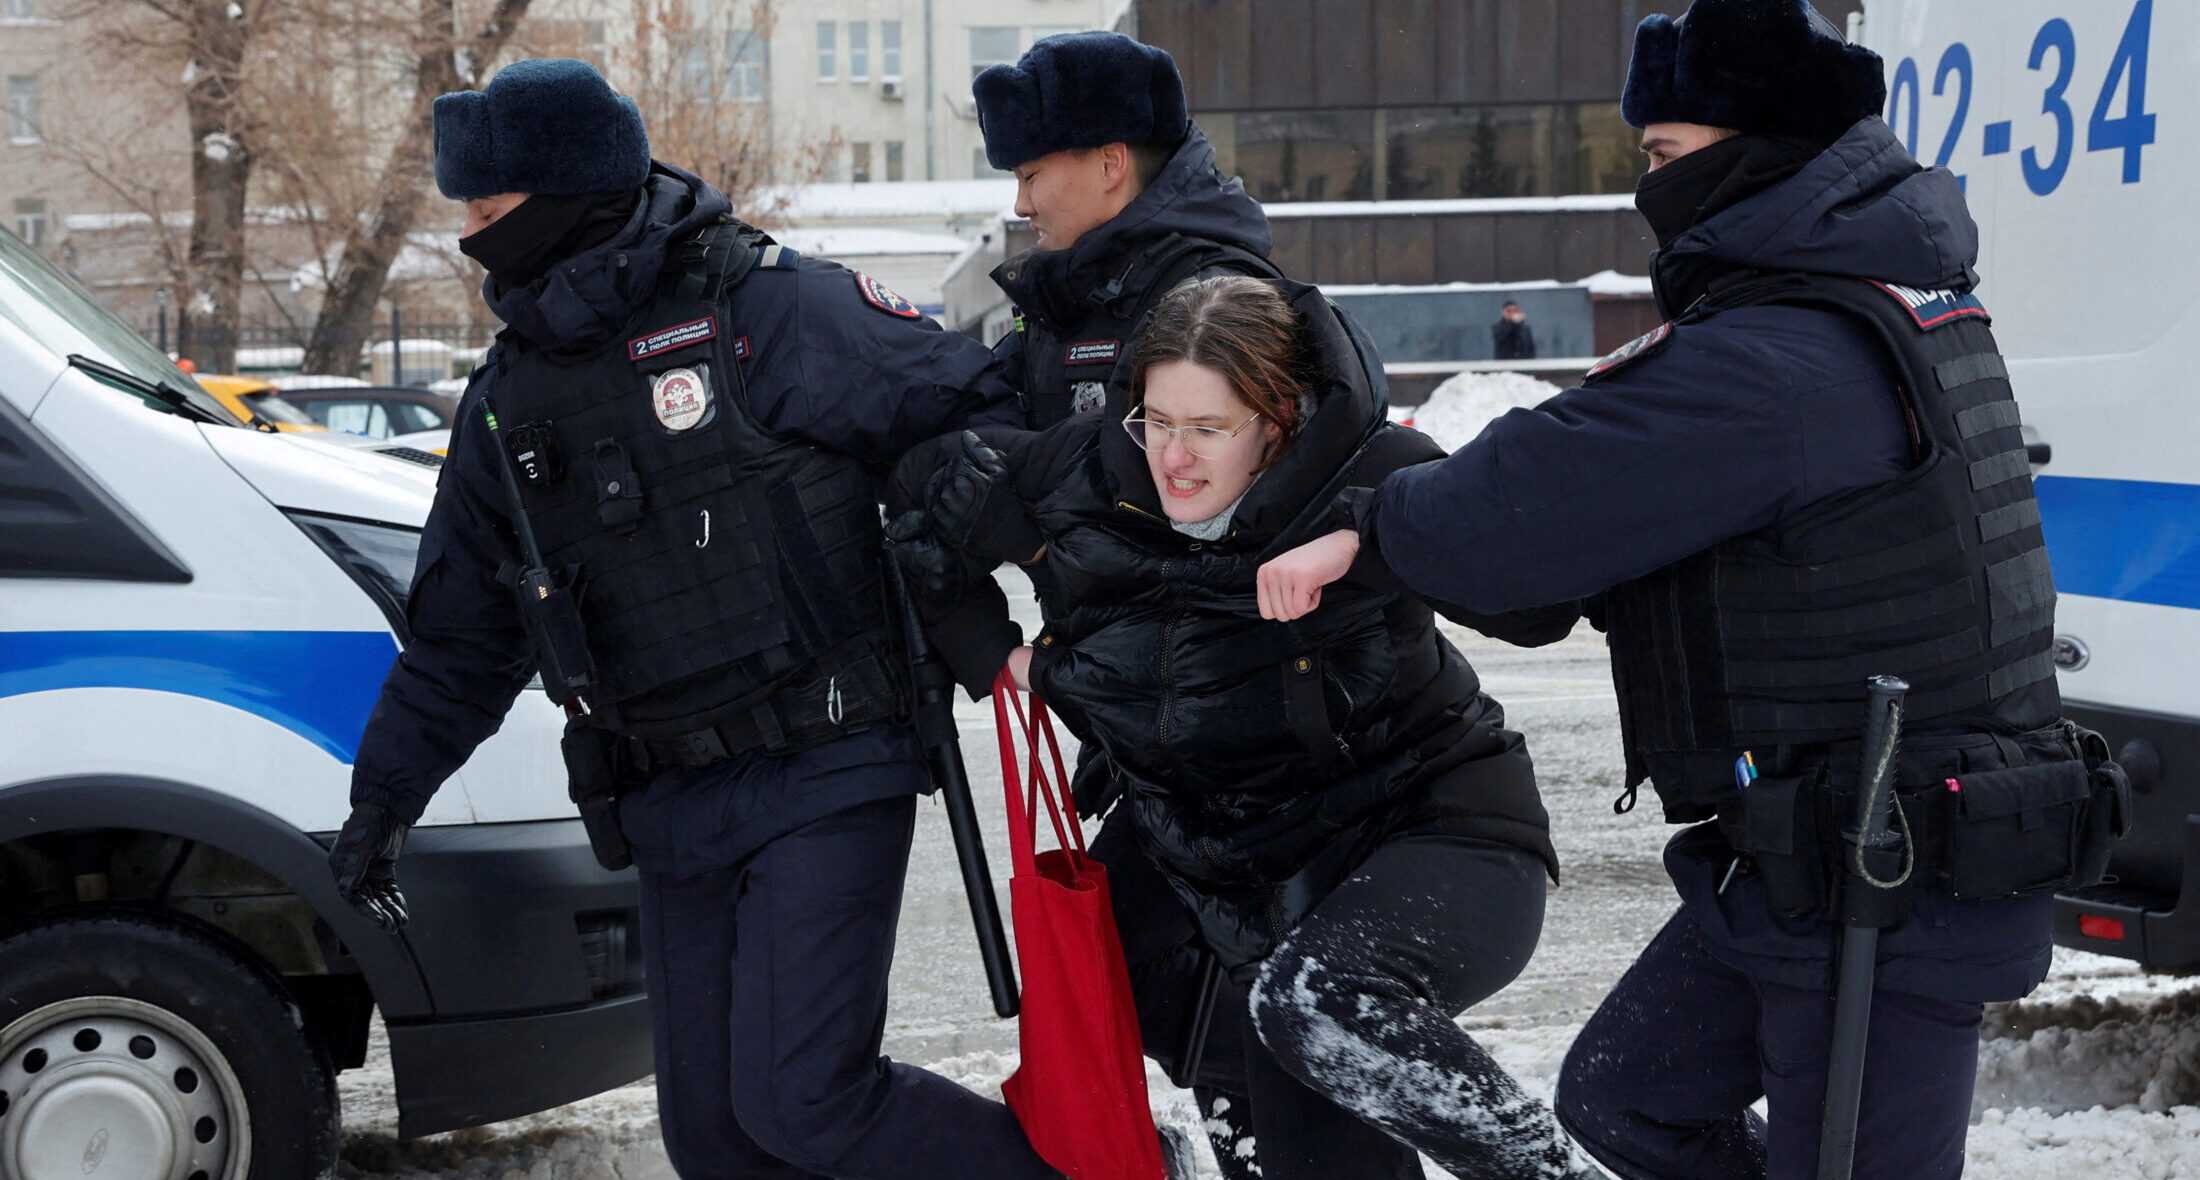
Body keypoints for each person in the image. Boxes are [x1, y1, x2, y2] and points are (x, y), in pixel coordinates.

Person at [1256, 3, 2122, 1178]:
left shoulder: (1786, 354)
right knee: (1631, 1097)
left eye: (1665, 155)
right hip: (1806, 856)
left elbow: (1545, 486)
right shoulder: (1850, 301)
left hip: (1894, 876)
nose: (1648, 189)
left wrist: (1365, 529)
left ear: (1760, 146)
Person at [322, 59, 1067, 1180]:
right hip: (667, 795)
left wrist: (941, 533)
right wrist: (383, 799)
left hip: (826, 758)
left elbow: (977, 410)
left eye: (489, 208)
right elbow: (464, 635)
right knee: (715, 1135)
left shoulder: (765, 308)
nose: (472, 236)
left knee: (807, 1103)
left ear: (571, 193)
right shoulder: (506, 403)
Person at [893, 275, 1605, 1180]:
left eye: (1209, 429)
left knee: (1317, 1005)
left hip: (1433, 830)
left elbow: (1546, 603)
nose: (1174, 458)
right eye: (1156, 420)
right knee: (1127, 980)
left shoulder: (1371, 470)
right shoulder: (1088, 470)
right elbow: (919, 488)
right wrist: (998, 653)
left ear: (1279, 420)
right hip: (1229, 862)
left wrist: (1372, 536)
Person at [958, 30, 1287, 1176]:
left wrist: (1019, 482)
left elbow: (1199, 500)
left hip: (1240, 743)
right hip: (1146, 737)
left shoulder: (1214, 294)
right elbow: (985, 432)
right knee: (1156, 1012)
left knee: (1240, 1040)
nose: (1020, 198)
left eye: (1031, 170)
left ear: (1107, 164)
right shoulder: (1077, 298)